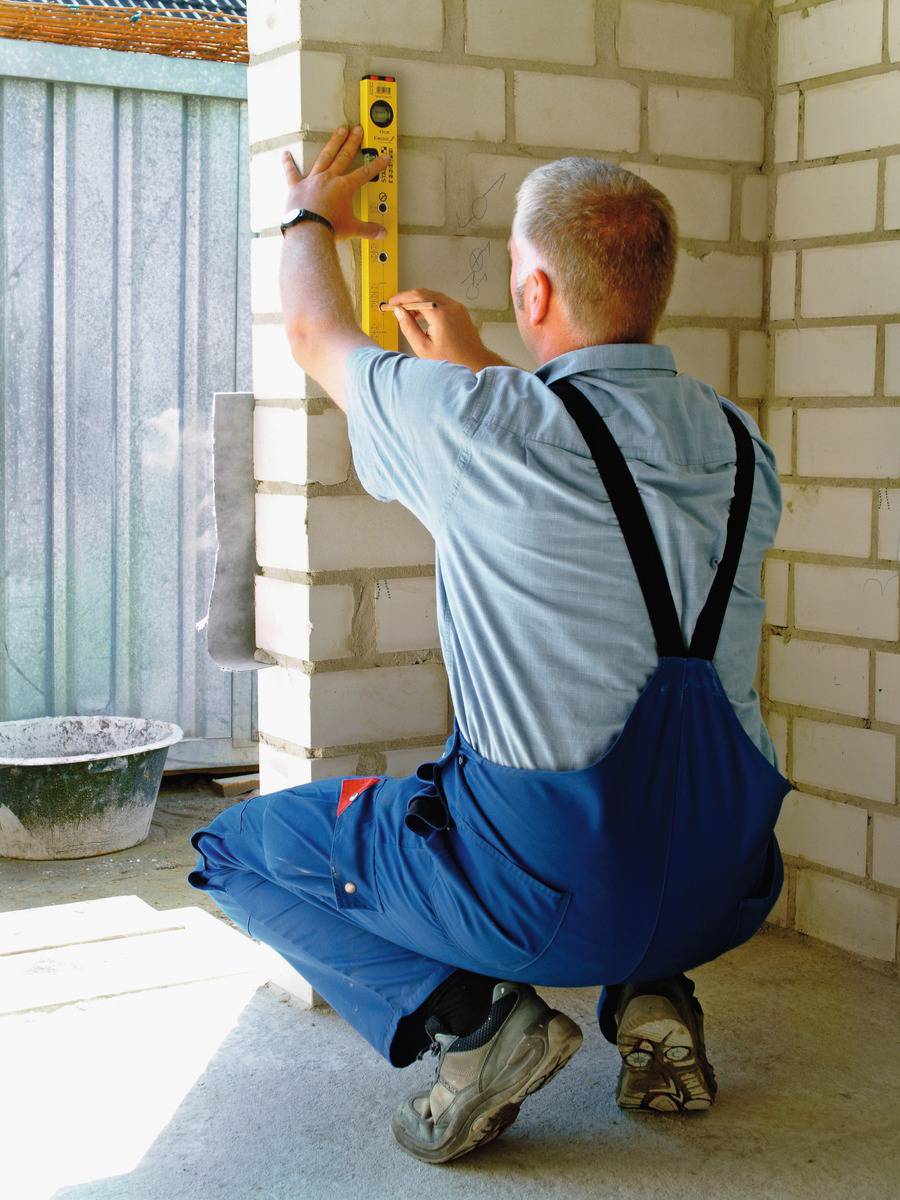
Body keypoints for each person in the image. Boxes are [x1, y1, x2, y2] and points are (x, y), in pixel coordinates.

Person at [188, 126, 791, 1164]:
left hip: (545, 898)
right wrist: (478, 368)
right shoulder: (744, 448)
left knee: (234, 849)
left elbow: (309, 330)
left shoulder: (478, 423)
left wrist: (311, 213)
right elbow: (609, 487)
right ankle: (656, 998)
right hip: (724, 884)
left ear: (538, 295)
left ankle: (474, 1024)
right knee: (649, 785)